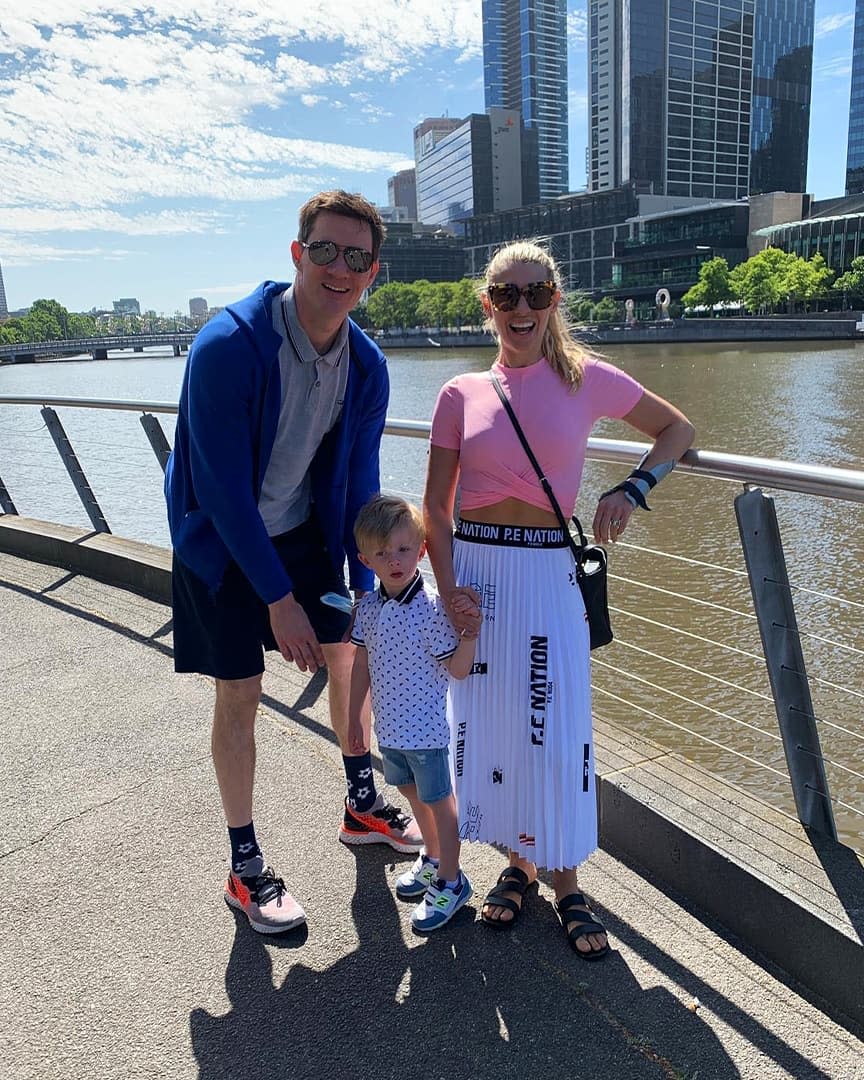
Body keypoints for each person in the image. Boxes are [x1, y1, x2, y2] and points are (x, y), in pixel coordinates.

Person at [423, 240, 695, 958]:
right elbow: (433, 509)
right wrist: (449, 592)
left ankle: (567, 880)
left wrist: (634, 487)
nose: (521, 308)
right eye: (506, 295)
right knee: (492, 726)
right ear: (487, 305)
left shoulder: (589, 380)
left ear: (555, 301)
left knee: (558, 722)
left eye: (535, 293)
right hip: (478, 576)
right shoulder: (459, 394)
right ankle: (517, 868)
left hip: (549, 574)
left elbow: (678, 430)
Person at [165, 190, 423, 936]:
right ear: (296, 253)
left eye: (356, 257)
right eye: (324, 251)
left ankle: (361, 801)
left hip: (301, 530)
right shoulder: (229, 344)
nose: (338, 268)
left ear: (373, 271)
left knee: (350, 651)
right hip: (219, 538)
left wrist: (372, 586)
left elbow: (358, 481)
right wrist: (278, 600)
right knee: (240, 689)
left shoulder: (366, 364)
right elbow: (218, 491)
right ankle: (246, 867)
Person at [346, 496, 482, 932]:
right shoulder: (367, 609)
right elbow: (362, 665)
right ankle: (434, 856)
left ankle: (451, 879)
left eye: (403, 549)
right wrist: (353, 718)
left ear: (421, 550)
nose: (394, 560)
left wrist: (471, 635)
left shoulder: (430, 610)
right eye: (382, 553)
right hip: (390, 731)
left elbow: (458, 669)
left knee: (441, 804)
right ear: (365, 560)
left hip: (425, 734)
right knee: (410, 794)